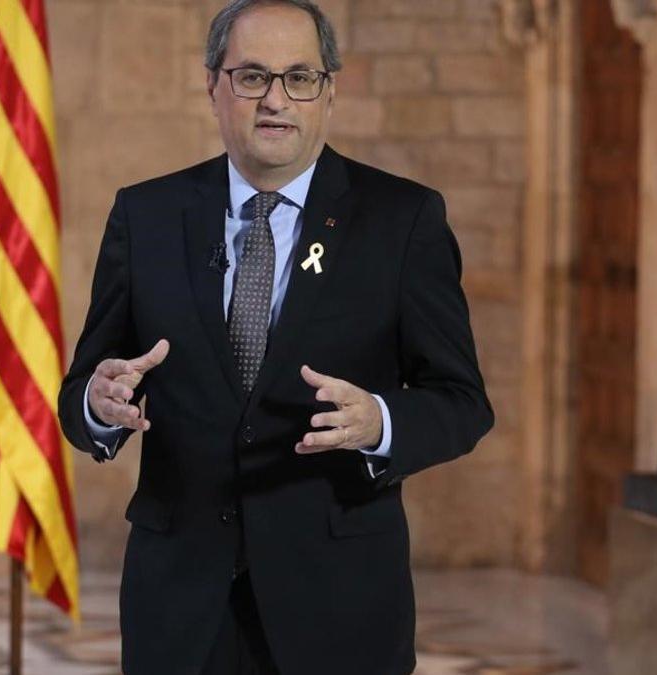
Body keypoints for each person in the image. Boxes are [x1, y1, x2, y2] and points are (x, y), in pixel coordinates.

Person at [57, 1, 493, 672]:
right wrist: (98, 402)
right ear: (213, 85)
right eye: (252, 76)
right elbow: (81, 391)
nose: (275, 100)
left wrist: (379, 418)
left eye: (299, 77)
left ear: (330, 90)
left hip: (341, 602)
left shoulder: (402, 221)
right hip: (181, 606)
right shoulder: (146, 216)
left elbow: (463, 402)